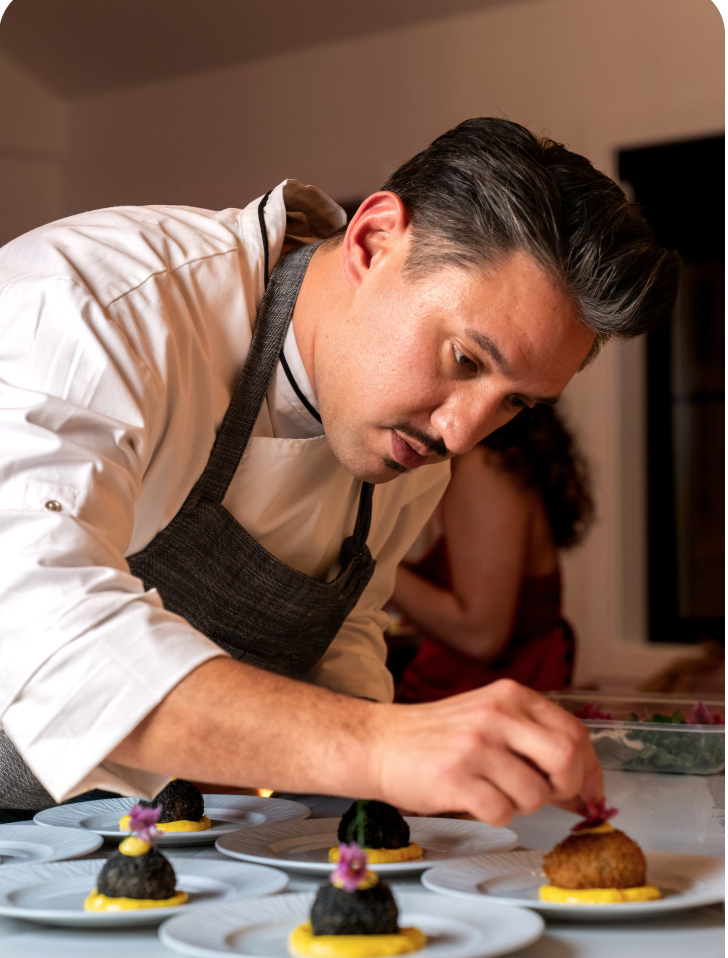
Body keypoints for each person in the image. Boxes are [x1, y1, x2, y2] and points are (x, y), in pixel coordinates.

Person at [0, 118, 678, 826]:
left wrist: (375, 810)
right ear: (374, 240)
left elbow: (346, 632)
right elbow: (37, 631)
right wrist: (380, 747)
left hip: (97, 842)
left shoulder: (410, 444)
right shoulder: (99, 302)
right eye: (466, 361)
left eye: (515, 404)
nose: (462, 433)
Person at [390, 405, 593, 702]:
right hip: (474, 703)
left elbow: (480, 636)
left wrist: (369, 566)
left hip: (487, 708)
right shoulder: (487, 463)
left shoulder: (483, 466)